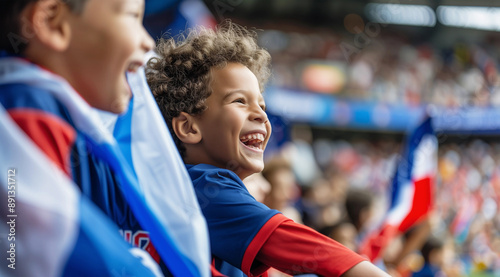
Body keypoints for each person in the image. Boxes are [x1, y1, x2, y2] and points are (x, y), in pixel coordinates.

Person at [148, 20, 390, 277]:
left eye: (261, 105)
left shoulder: (181, 184)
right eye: (240, 101)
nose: (261, 116)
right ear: (188, 127)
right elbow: (317, 254)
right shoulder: (204, 185)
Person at [0, 1, 210, 276]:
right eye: (132, 16)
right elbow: (62, 247)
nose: (148, 41)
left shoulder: (53, 114)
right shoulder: (27, 112)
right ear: (53, 22)